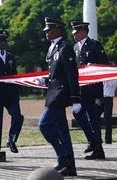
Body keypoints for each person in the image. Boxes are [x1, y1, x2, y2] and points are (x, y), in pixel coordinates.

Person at [36, 17, 81, 176]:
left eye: (49, 30)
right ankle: (70, 167)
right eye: (46, 30)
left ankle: (63, 157)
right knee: (63, 132)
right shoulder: (53, 48)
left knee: (44, 124)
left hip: (60, 94)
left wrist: (76, 98)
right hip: (54, 92)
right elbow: (57, 74)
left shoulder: (65, 47)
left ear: (58, 30)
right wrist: (45, 80)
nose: (47, 32)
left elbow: (71, 75)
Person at [70, 21, 109, 159]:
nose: (73, 35)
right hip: (81, 90)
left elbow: (105, 64)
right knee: (80, 114)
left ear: (83, 31)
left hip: (93, 90)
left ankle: (96, 146)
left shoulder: (94, 45)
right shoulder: (75, 47)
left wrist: (93, 67)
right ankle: (95, 143)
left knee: (93, 119)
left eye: (76, 32)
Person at [0, 29, 24, 153]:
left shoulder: (10, 57)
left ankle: (11, 140)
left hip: (11, 94)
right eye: (0, 40)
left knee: (18, 117)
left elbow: (14, 75)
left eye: (4, 40)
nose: (3, 43)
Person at [99, 77, 117, 144]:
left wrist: (107, 78)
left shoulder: (114, 79)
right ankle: (98, 138)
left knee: (108, 118)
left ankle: (108, 139)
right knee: (95, 116)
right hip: (101, 98)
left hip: (108, 99)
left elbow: (113, 85)